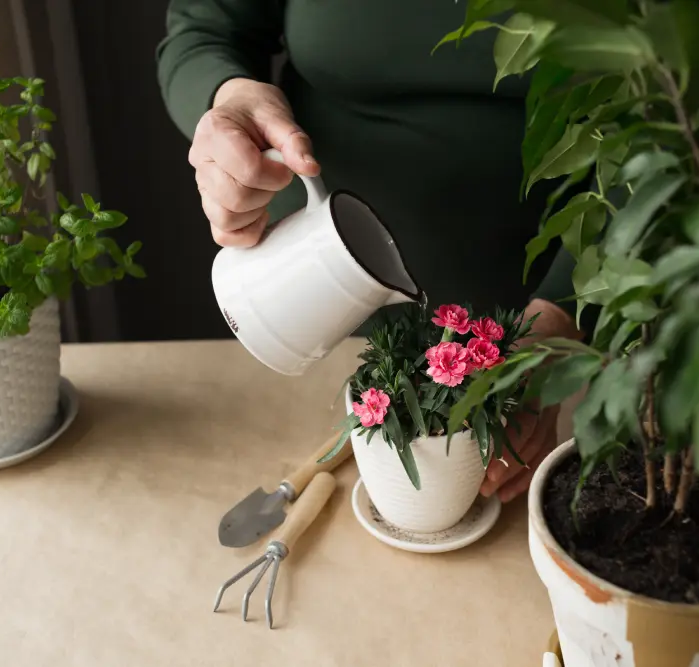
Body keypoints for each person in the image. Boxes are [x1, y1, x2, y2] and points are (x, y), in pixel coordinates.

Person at [155, 0, 585, 503]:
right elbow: (203, 30)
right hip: (310, 307)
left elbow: (670, 139)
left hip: (544, 331)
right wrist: (228, 104)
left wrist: (559, 320)